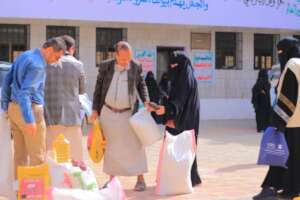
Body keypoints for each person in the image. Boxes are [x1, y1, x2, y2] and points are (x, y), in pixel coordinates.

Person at [1, 37, 66, 177]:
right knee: (37, 157)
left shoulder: (25, 55)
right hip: (30, 111)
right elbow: (25, 93)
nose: (57, 60)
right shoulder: (38, 66)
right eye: (57, 56)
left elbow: (7, 80)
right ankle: (34, 195)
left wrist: (6, 105)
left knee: (20, 156)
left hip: (14, 108)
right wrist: (29, 119)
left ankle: (20, 193)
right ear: (49, 50)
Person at [91, 41, 150, 191]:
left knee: (136, 145)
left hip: (128, 113)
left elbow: (141, 85)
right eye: (123, 59)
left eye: (128, 58)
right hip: (108, 112)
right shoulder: (106, 66)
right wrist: (94, 109)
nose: (126, 62)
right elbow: (98, 88)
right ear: (115, 55)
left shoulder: (135, 66)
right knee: (110, 147)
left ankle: (141, 179)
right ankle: (112, 182)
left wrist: (147, 102)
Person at [253, 37, 300, 200]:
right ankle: (285, 188)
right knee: (292, 158)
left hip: (291, 122)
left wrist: (278, 122)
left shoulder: (292, 65)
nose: (279, 54)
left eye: (281, 51)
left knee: (284, 157)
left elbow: (288, 97)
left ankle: (277, 189)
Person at [154, 51, 202, 187]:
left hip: (184, 119)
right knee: (182, 148)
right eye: (171, 64)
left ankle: (181, 179)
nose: (173, 67)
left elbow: (180, 100)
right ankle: (185, 178)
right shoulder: (184, 75)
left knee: (182, 148)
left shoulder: (186, 79)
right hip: (182, 117)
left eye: (176, 64)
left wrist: (168, 110)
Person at [44, 35, 86, 161]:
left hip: (50, 115)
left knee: (51, 156)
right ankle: (73, 180)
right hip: (72, 116)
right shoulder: (78, 65)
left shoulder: (48, 62)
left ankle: (52, 180)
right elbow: (82, 90)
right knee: (74, 156)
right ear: (72, 48)